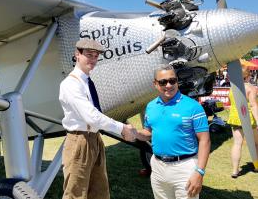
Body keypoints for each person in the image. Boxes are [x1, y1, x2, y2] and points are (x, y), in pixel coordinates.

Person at [59, 38, 136, 199]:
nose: (93, 59)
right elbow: (91, 116)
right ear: (77, 55)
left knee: (100, 193)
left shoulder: (86, 81)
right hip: (79, 141)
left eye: (96, 56)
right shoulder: (70, 84)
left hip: (94, 138)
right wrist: (121, 128)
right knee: (75, 194)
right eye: (89, 55)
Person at [136, 64, 210, 199]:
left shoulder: (193, 106)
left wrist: (199, 172)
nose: (169, 85)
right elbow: (148, 133)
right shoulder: (151, 106)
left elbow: (205, 140)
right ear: (155, 84)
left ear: (177, 81)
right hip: (158, 167)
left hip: (185, 167)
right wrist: (135, 133)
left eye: (172, 80)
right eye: (163, 82)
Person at [227, 66, 258, 178]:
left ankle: (235, 171)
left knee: (237, 144)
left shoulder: (232, 87)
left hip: (235, 118)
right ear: (248, 75)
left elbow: (230, 102)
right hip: (249, 118)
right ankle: (257, 166)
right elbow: (254, 105)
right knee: (256, 144)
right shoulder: (251, 88)